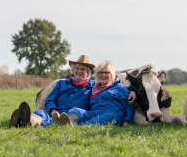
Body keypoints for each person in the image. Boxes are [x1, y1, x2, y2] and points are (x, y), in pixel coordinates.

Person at [8, 55, 136, 128]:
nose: (80, 71)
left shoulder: (92, 85)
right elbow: (50, 99)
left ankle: (25, 121)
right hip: (56, 113)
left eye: (83, 69)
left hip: (75, 115)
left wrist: (132, 92)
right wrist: (52, 110)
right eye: (78, 68)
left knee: (78, 113)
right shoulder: (61, 83)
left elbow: (116, 88)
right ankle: (28, 120)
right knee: (41, 113)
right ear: (73, 70)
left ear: (88, 73)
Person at [66, 60, 135, 127]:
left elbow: (129, 105)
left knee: (100, 120)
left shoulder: (119, 88)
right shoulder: (94, 88)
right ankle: (73, 123)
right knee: (74, 111)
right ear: (97, 74)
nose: (103, 75)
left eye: (106, 72)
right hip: (95, 112)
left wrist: (127, 121)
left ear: (112, 74)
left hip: (111, 113)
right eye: (100, 72)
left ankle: (78, 126)